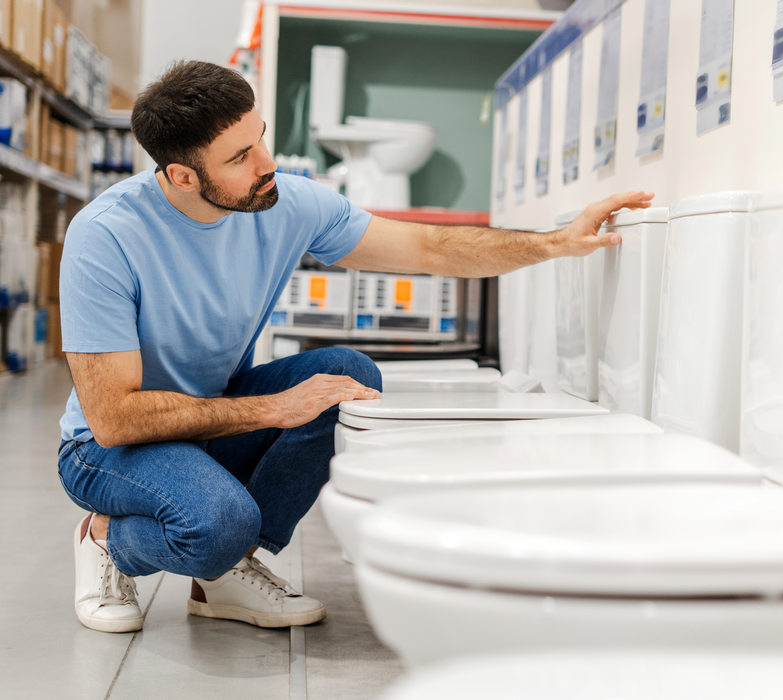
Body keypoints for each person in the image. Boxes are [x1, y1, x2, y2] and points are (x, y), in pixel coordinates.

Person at [57, 60, 654, 634]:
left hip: (209, 415)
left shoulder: (287, 201)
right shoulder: (105, 237)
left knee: (349, 376)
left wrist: (554, 243)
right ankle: (107, 538)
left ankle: (227, 573)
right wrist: (270, 409)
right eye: (240, 157)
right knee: (218, 524)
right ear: (181, 176)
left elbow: (429, 250)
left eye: (260, 139)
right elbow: (114, 419)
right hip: (108, 450)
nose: (266, 164)